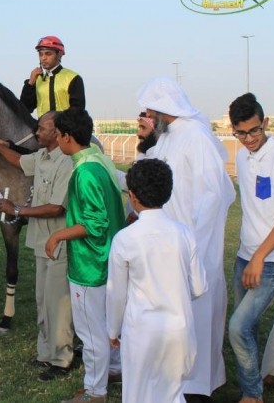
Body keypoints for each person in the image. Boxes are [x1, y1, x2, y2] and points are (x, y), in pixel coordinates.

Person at [137, 77, 235, 402]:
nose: (148, 117)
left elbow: (214, 197)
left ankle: (197, 390)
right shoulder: (165, 139)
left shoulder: (196, 138)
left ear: (166, 109)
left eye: (151, 111)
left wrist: (192, 247)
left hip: (195, 251)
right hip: (168, 247)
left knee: (196, 321)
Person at [0, 112, 74, 381]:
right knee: (42, 300)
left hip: (58, 241)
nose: (36, 133)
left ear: (57, 133)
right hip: (41, 242)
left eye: (41, 128)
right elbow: (18, 160)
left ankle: (62, 359)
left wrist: (17, 209)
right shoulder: (41, 157)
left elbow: (57, 206)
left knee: (58, 304)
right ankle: (45, 353)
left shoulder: (66, 162)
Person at [107, 159, 208, 403]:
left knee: (137, 395)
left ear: (132, 195)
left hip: (141, 331)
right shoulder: (184, 233)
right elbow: (198, 287)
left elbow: (116, 294)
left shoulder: (125, 239)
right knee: (173, 394)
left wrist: (112, 329)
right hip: (179, 331)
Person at [45, 108, 125, 403]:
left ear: (66, 137)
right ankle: (113, 370)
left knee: (91, 332)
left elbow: (94, 223)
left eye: (57, 136)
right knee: (108, 324)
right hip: (108, 261)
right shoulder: (100, 160)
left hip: (91, 265)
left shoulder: (84, 172)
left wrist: (57, 235)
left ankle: (95, 392)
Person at [227, 93, 274, 403]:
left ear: (265, 123)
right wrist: (248, 255)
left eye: (254, 130)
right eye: (241, 132)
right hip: (244, 256)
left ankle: (252, 394)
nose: (248, 138)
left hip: (272, 260)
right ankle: (256, 380)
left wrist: (260, 257)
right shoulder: (241, 156)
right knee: (245, 327)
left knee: (237, 327)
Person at [20, 35, 85, 116]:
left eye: (48, 54)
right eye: (40, 54)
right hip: (42, 127)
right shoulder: (37, 79)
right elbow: (25, 109)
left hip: (65, 128)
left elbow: (78, 111)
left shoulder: (73, 78)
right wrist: (30, 84)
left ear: (59, 54)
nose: (43, 58)